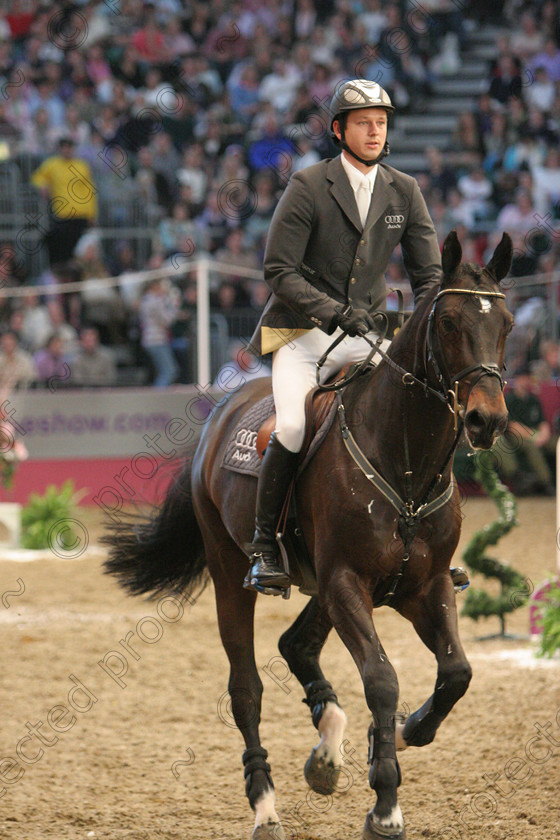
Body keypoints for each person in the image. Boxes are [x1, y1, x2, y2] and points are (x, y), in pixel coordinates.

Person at [244, 79, 443, 595]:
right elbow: (278, 269)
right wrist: (333, 312)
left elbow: (429, 279)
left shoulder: (405, 190)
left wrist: (425, 331)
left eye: (381, 122)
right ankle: (266, 546)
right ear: (339, 130)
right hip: (302, 335)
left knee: (415, 411)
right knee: (291, 426)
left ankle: (427, 543)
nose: (375, 130)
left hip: (373, 334)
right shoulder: (308, 186)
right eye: (363, 122)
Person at [30, 137, 98, 266]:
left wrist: (92, 214)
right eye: (64, 147)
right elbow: (37, 177)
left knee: (78, 249)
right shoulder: (52, 164)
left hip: (81, 214)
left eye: (69, 147)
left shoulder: (82, 166)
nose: (66, 150)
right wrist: (42, 185)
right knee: (61, 246)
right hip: (63, 213)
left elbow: (89, 190)